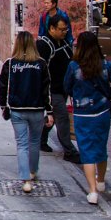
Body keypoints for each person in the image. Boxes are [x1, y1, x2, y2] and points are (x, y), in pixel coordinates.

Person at [65, 32, 111, 204]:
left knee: (86, 151)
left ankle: (92, 191)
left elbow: (67, 87)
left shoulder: (74, 66)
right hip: (102, 113)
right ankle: (101, 181)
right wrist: (107, 96)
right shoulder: (107, 65)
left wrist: (79, 96)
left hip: (82, 114)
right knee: (101, 146)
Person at [0, 32, 52, 193]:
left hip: (17, 110)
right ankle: (33, 171)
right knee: (34, 141)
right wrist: (49, 111)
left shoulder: (10, 64)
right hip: (37, 110)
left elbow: (3, 87)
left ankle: (25, 179)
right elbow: (46, 89)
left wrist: (3, 105)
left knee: (22, 144)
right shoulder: (41, 64)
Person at [37, 15, 80, 163]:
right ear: (51, 28)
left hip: (64, 88)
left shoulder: (64, 42)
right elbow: (40, 69)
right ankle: (69, 151)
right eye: (61, 29)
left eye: (65, 29)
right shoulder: (44, 45)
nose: (64, 32)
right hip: (52, 90)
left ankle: (40, 139)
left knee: (53, 116)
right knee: (62, 118)